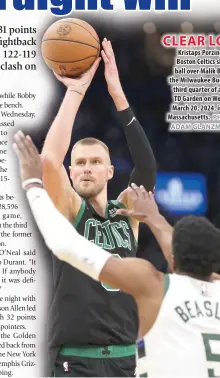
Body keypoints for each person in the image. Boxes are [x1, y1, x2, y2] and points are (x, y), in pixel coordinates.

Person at [14, 132, 220, 378]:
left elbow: (63, 243)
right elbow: (178, 254)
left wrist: (32, 185)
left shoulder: (154, 284)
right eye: (81, 163)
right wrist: (156, 219)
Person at [41, 38, 156, 377]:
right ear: (71, 171)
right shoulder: (66, 208)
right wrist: (76, 91)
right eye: (79, 163)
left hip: (125, 356)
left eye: (95, 161)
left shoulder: (127, 211)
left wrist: (118, 95)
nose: (87, 167)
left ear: (110, 171)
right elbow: (48, 161)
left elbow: (147, 170)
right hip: (76, 357)